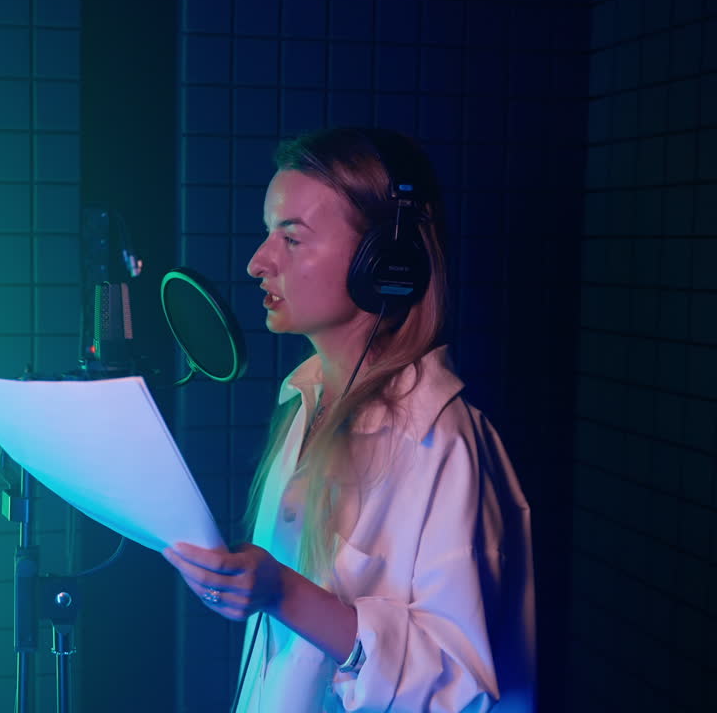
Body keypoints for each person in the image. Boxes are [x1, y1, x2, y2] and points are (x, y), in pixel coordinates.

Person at [162, 127, 536, 712]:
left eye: (292, 238)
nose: (258, 263)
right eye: (268, 235)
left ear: (383, 262)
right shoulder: (307, 399)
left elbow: (465, 694)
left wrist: (282, 591)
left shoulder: (442, 443)